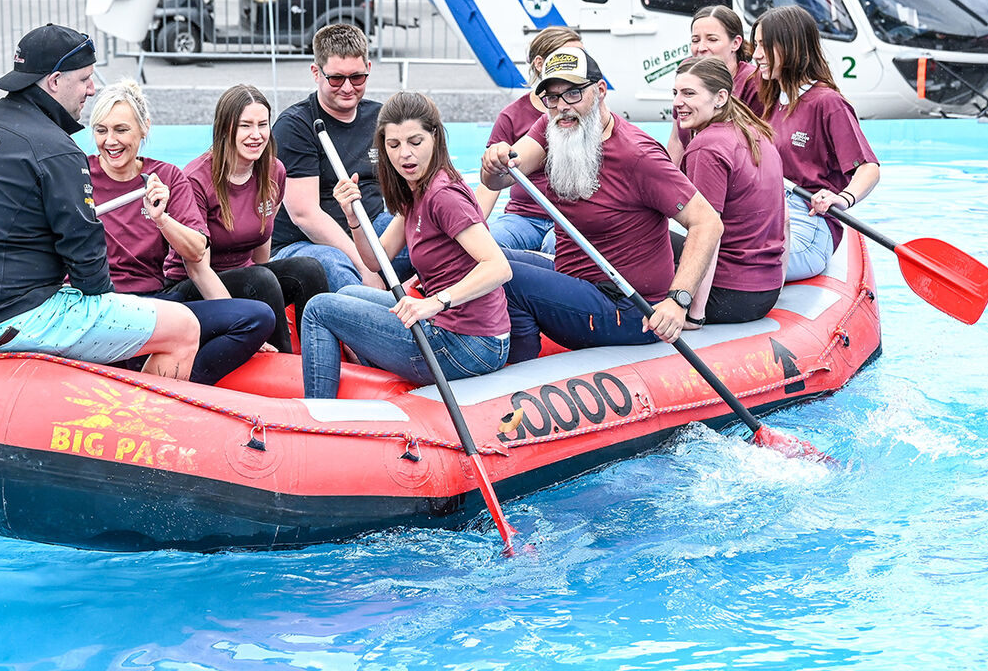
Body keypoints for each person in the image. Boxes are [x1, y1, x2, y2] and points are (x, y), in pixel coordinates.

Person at [0, 23, 200, 378]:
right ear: (54, 82)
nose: (92, 88)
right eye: (85, 78)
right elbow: (89, 269)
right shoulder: (56, 149)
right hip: (8, 320)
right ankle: (134, 426)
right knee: (183, 328)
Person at [480, 48, 724, 364]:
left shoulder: (639, 155)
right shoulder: (553, 125)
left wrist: (678, 301)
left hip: (629, 309)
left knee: (505, 275)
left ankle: (514, 366)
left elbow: (708, 222)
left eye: (573, 94)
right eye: (552, 98)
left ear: (600, 90)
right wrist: (494, 162)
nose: (563, 107)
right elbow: (501, 179)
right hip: (578, 282)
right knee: (482, 256)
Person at [300, 92, 512, 398]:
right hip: (457, 331)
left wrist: (435, 302)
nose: (404, 155)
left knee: (318, 309)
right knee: (347, 294)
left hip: (468, 344)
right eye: (393, 144)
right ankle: (372, 386)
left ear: (435, 137)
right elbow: (377, 260)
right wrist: (352, 216)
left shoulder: (443, 195)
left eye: (415, 142)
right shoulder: (417, 190)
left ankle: (318, 416)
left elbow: (498, 267)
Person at [87, 79, 275, 384]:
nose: (111, 141)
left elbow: (196, 250)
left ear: (144, 128)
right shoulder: (77, 174)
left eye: (121, 130)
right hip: (100, 305)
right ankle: (153, 382)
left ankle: (183, 388)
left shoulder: (167, 176)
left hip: (153, 303)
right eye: (101, 130)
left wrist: (163, 219)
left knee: (258, 318)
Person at [171, 84, 331, 352]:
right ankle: (283, 367)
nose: (256, 135)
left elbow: (262, 243)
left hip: (247, 278)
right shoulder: (196, 179)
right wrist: (242, 319)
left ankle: (318, 357)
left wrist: (272, 298)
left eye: (262, 125)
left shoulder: (273, 171)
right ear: (225, 129)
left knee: (309, 269)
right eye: (245, 126)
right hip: (193, 287)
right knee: (261, 280)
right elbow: (197, 268)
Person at [269, 23, 412, 292]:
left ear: (368, 68)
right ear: (316, 73)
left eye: (357, 77)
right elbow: (305, 215)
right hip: (303, 243)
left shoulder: (381, 119)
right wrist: (364, 267)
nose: (347, 88)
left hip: (368, 227)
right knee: (335, 264)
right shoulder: (295, 125)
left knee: (429, 238)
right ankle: (378, 325)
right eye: (336, 79)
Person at [752, 5, 881, 281]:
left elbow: (869, 167)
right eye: (755, 45)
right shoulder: (772, 99)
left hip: (808, 224)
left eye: (764, 45)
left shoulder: (828, 103)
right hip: (770, 216)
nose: (756, 55)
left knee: (739, 264)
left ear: (789, 46)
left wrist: (842, 198)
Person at [671, 57, 787, 326]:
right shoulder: (758, 135)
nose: (678, 102)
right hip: (765, 293)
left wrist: (695, 312)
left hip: (726, 296)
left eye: (689, 93)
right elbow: (786, 222)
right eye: (675, 93)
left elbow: (709, 233)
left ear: (721, 96)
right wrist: (777, 290)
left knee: (638, 238)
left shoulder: (706, 147)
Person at [473, 26, 581, 254]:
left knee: (558, 247)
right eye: (568, 58)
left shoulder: (585, 112)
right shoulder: (511, 116)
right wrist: (468, 233)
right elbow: (489, 186)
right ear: (540, 64)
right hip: (523, 216)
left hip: (570, 217)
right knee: (489, 245)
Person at [665, 5, 760, 167]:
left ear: (735, 43)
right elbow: (677, 140)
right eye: (695, 40)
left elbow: (760, 148)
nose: (701, 48)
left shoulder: (753, 82)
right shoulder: (688, 71)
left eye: (712, 39)